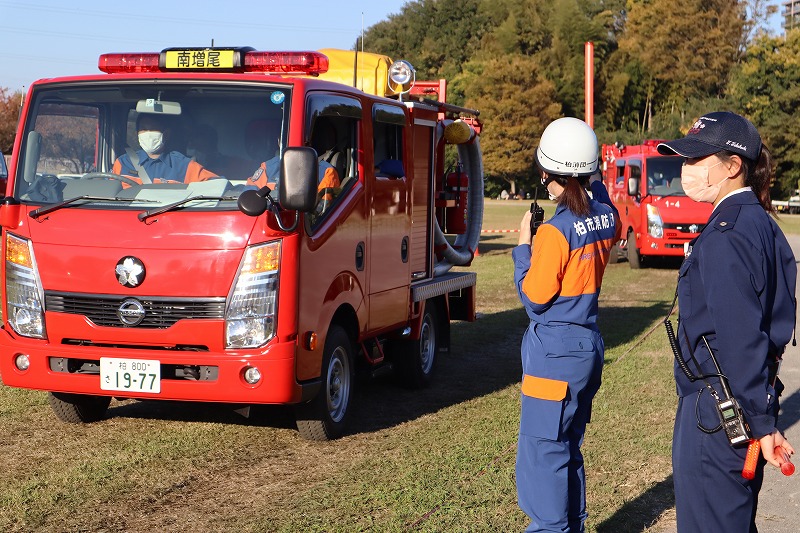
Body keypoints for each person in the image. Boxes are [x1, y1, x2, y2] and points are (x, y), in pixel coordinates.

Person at [657, 111, 796, 532]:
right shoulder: (760, 223)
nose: (686, 170)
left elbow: (739, 338)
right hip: (740, 404)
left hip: (717, 411)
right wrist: (763, 416)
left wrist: (760, 419)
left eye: (697, 160)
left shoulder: (726, 233)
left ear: (733, 166)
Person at [513, 117, 620, 532]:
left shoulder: (553, 233)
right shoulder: (606, 217)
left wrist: (524, 246)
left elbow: (535, 300)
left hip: (555, 354)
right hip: (587, 346)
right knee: (568, 446)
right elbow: (601, 199)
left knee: (543, 454)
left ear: (547, 175)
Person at [113, 113, 217, 183]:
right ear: (137, 134)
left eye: (153, 129)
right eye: (143, 129)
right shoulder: (123, 163)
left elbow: (218, 184)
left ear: (166, 134)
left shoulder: (183, 166)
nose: (148, 134)